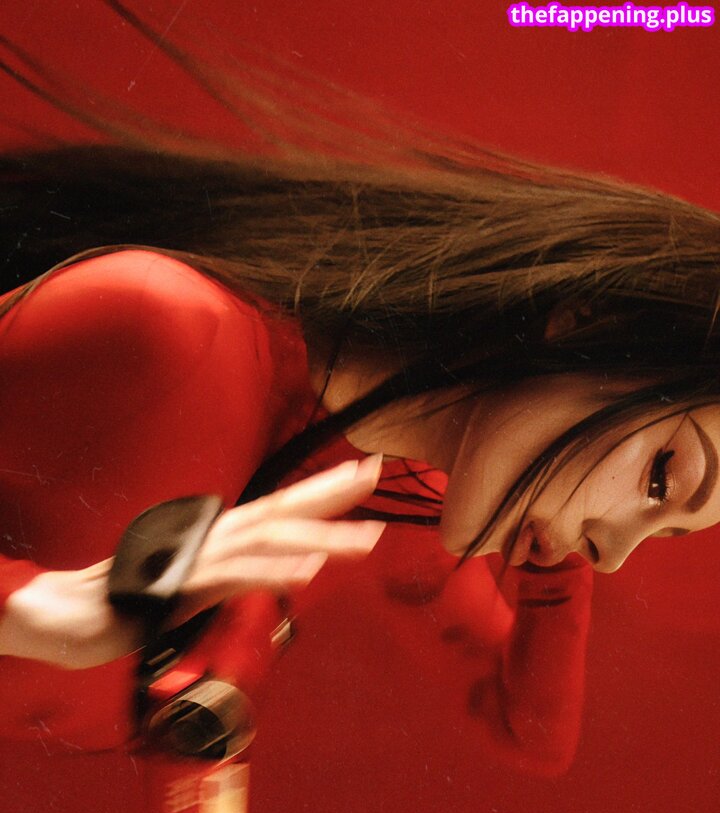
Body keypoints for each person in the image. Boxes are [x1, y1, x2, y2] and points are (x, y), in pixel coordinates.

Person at [0, 12, 719, 768]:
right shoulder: (165, 326)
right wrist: (42, 609)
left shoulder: (384, 491)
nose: (614, 558)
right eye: (662, 476)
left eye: (661, 532)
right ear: (583, 325)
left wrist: (559, 555)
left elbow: (532, 737)